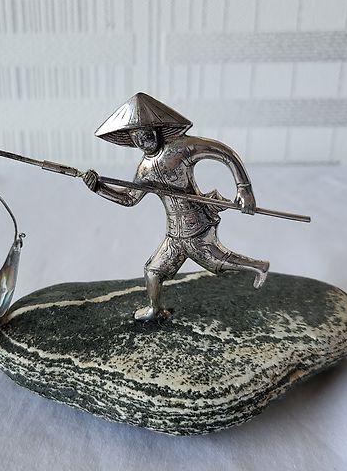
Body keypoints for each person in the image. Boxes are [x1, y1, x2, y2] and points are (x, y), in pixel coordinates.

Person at [83, 92, 269, 322]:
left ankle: (259, 266)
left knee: (215, 261)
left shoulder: (181, 148)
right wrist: (99, 188)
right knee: (153, 271)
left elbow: (225, 153)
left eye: (146, 134)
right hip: (174, 233)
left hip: (196, 227)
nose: (142, 142)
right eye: (136, 138)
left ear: (157, 130)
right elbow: (129, 198)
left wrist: (244, 189)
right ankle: (155, 310)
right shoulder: (144, 170)